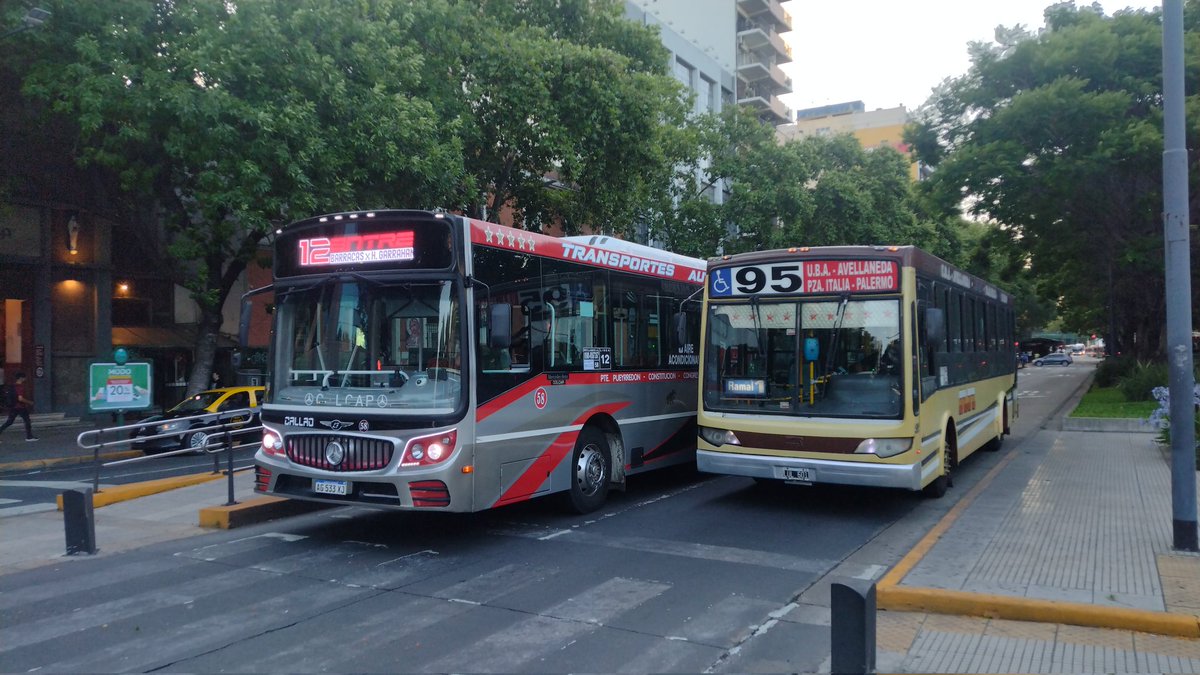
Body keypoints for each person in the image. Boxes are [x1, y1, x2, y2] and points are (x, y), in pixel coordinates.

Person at [0, 372, 38, 441]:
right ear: (21, 378)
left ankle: (29, 436)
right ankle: (29, 436)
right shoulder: (20, 387)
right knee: (27, 421)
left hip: (13, 406)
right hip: (20, 407)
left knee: (9, 422)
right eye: (24, 377)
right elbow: (20, 398)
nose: (25, 379)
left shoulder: (13, 386)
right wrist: (30, 402)